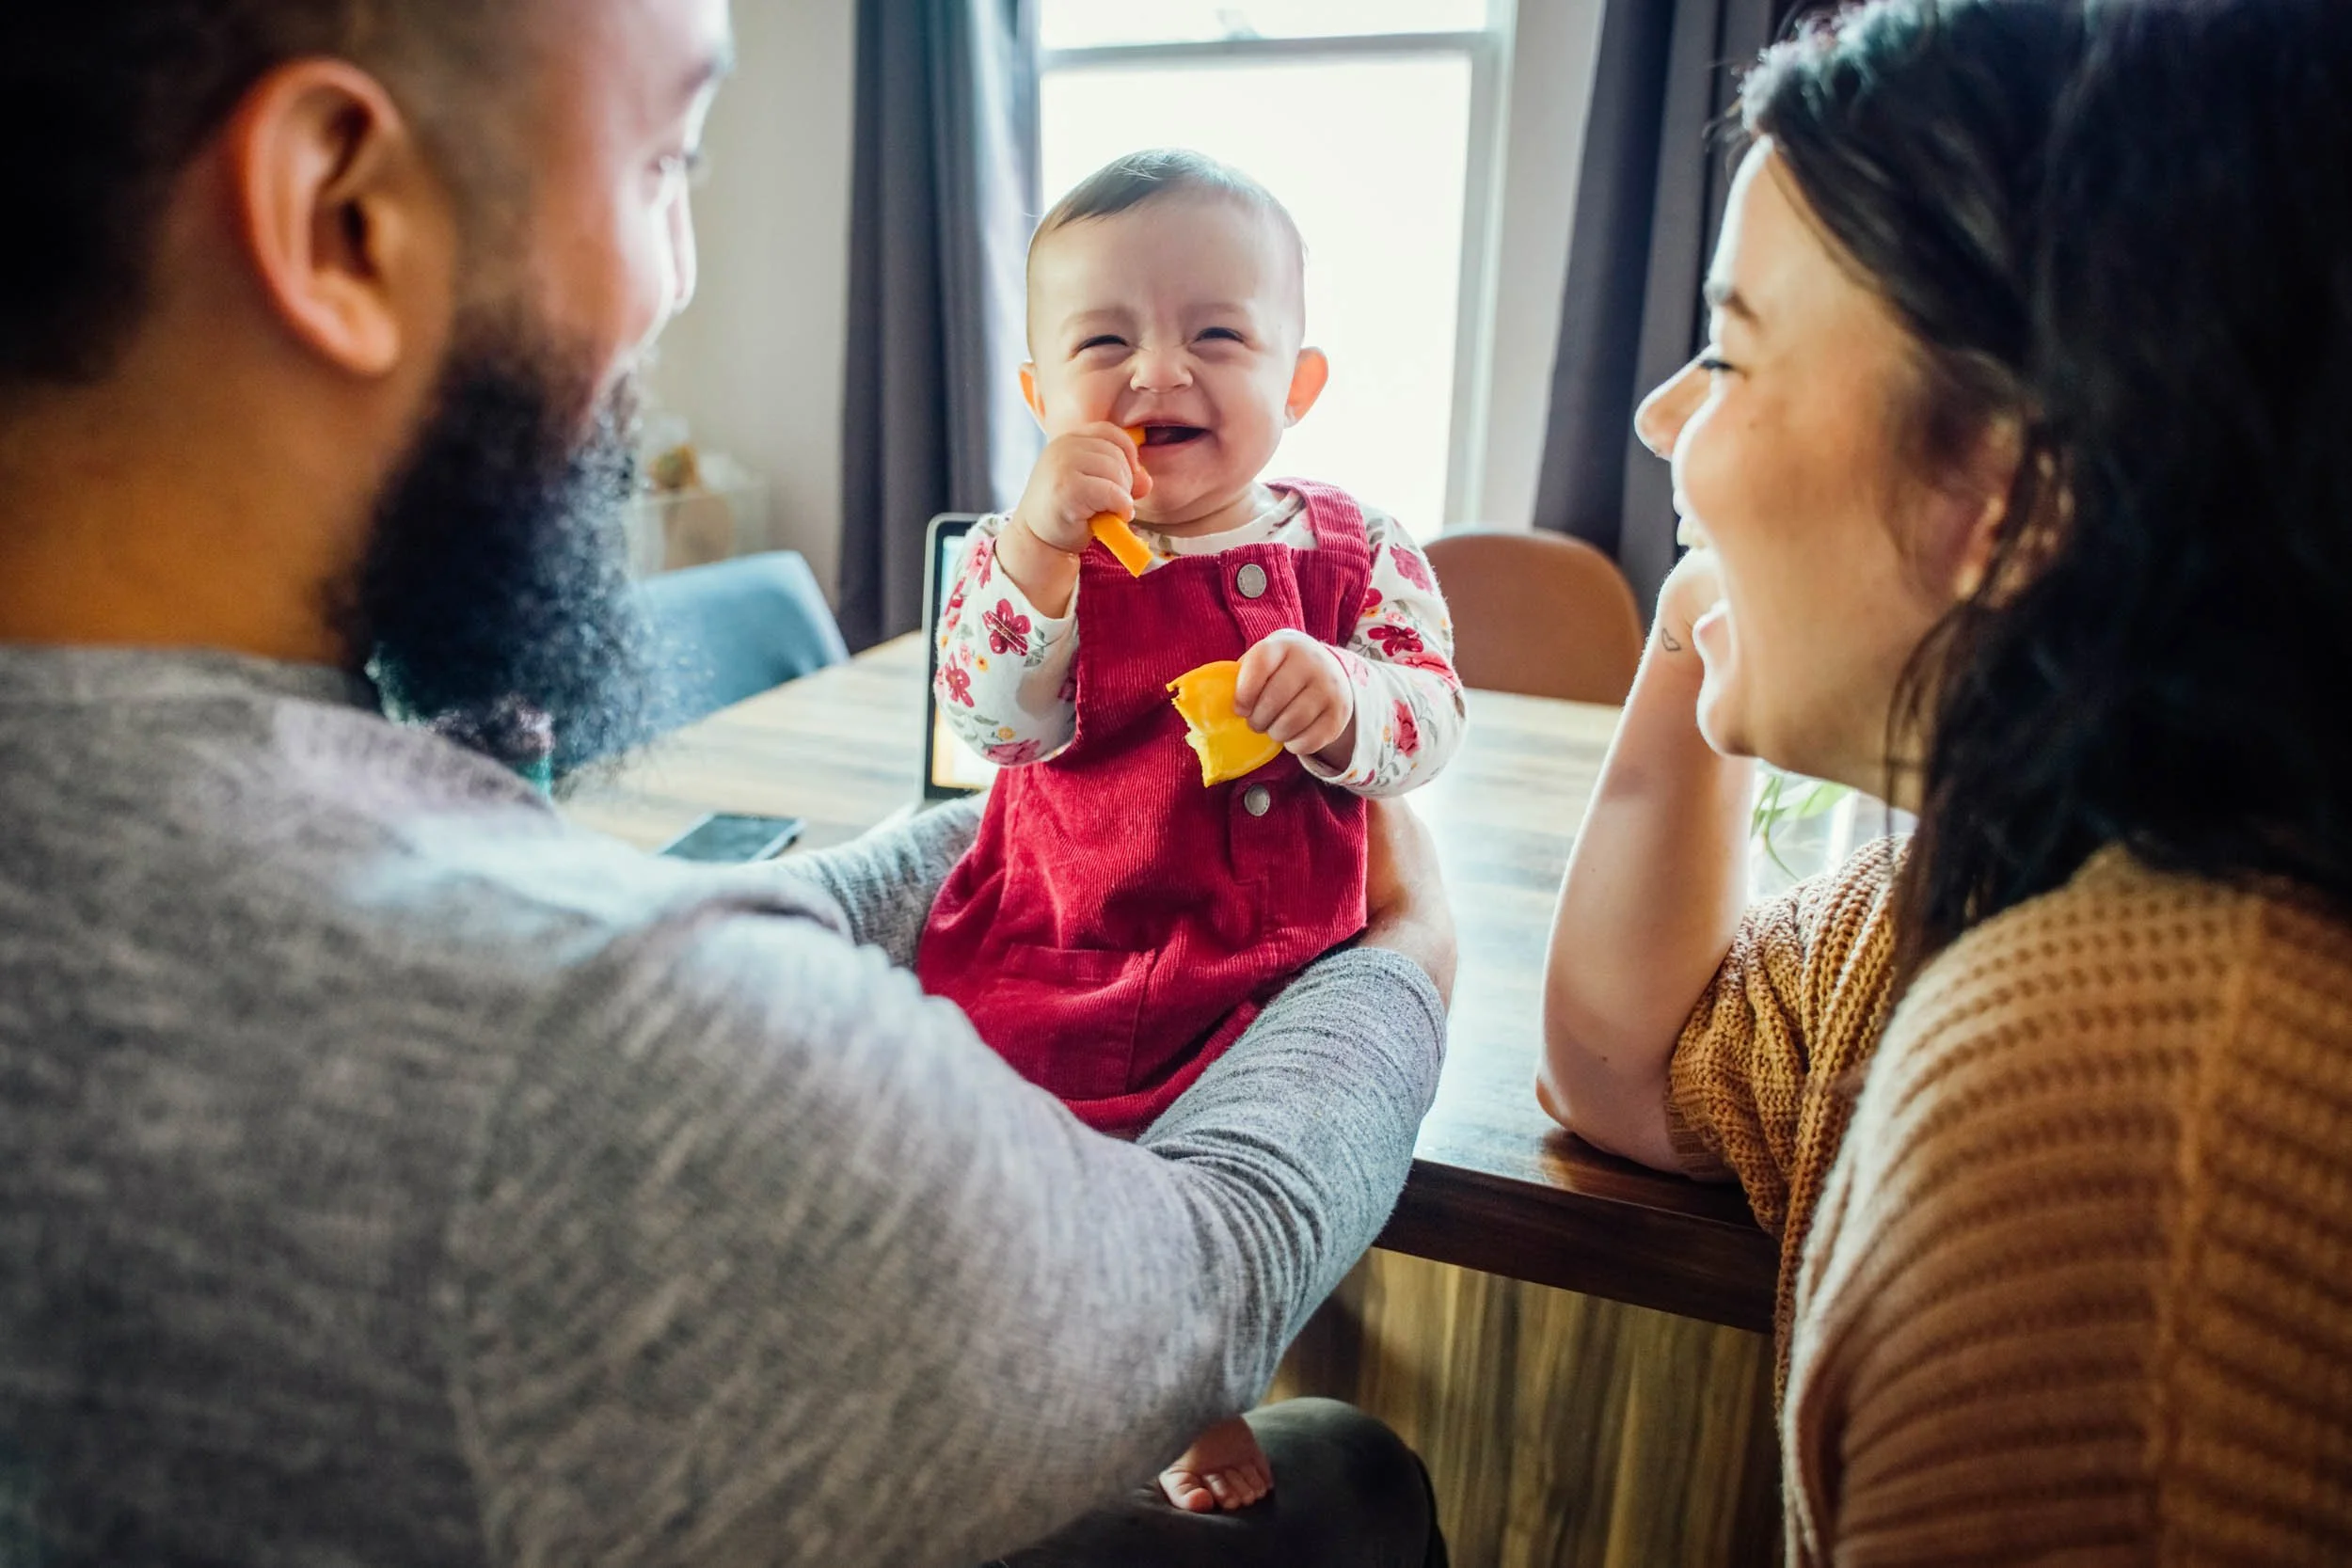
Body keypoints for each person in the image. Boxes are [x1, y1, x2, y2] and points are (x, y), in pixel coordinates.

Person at [0, 4, 1457, 1566]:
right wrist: (1406, 961)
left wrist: (1001, 847)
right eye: (662, 163)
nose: (681, 276)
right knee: (1357, 1479)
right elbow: (1194, 1296)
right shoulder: (589, 1047)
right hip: (1140, 1206)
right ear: (340, 215)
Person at [1540, 0, 2352, 1558]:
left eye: (1731, 352)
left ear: (2000, 483)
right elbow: (1622, 1066)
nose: (1662, 419)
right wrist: (1700, 618)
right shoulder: (1964, 892)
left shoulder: (2103, 1101)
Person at [922, 150, 1465, 1514]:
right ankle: (1014, 1366)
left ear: (1298, 383)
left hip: (1278, 969)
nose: (1158, 372)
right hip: (1068, 943)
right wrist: (1038, 547)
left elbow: (1434, 712)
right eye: (1104, 342)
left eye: (1216, 336)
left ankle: (1194, 1384)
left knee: (1222, 1193)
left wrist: (1350, 702)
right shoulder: (1028, 555)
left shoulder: (1359, 549)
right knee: (1014, 1172)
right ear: (1040, 396)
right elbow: (991, 719)